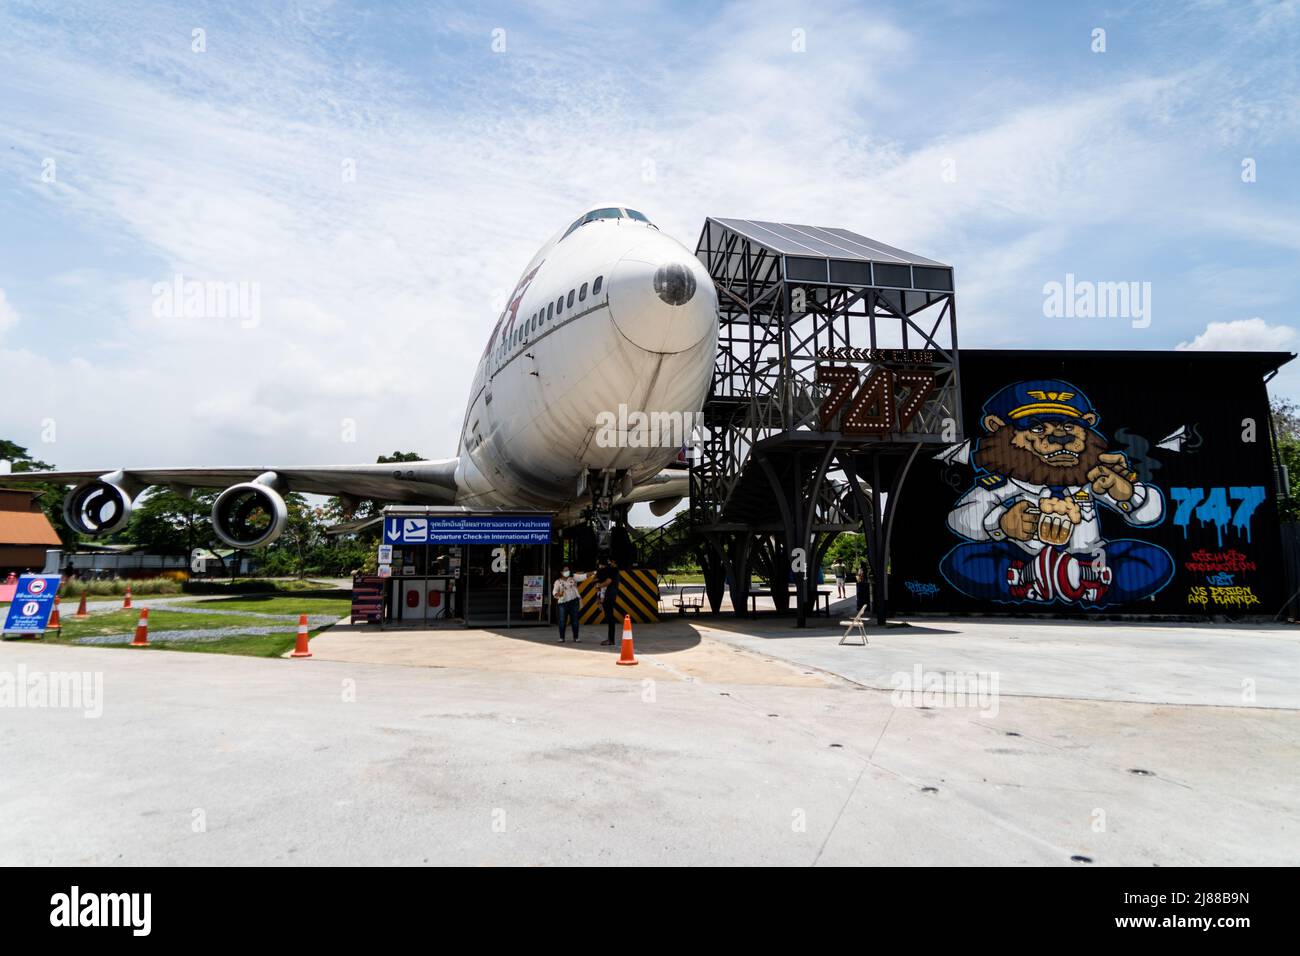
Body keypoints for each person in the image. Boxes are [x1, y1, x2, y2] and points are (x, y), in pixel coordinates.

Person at [551, 565, 589, 643]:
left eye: (568, 570)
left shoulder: (573, 578)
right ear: (561, 572)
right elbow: (554, 592)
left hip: (574, 602)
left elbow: (584, 576)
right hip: (563, 603)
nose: (567, 572)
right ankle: (561, 637)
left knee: (575, 620)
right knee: (562, 621)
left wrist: (595, 572)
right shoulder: (557, 582)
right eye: (565, 570)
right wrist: (559, 594)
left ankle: (576, 637)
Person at [596, 557, 622, 645]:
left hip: (609, 595)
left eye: (608, 562)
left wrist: (599, 585)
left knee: (610, 617)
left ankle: (611, 640)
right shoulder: (615, 570)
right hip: (610, 595)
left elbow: (608, 581)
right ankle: (610, 639)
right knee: (609, 617)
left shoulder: (613, 570)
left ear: (613, 561)